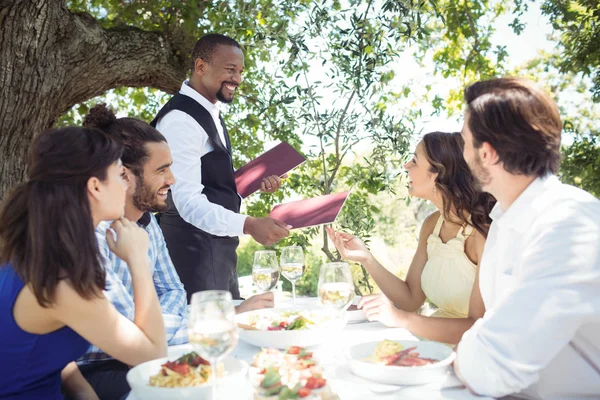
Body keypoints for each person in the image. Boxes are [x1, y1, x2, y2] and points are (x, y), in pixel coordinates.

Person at [74, 104, 277, 399]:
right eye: (161, 170)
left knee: (244, 371)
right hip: (95, 371)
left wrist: (158, 323)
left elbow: (172, 292)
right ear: (124, 175)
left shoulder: (146, 221)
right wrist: (224, 321)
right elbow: (129, 333)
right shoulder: (88, 235)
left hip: (149, 351)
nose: (172, 179)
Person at [453, 77, 600, 399]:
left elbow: (493, 369)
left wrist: (470, 354)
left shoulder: (570, 223)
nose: (462, 153)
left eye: (464, 141)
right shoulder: (505, 219)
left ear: (487, 154)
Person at [0, 127, 166, 400]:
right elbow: (153, 357)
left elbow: (45, 351)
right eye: (120, 175)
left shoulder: (39, 254)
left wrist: (86, 394)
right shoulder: (61, 281)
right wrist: (138, 259)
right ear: (95, 186)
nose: (126, 185)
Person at [151, 33, 290, 301]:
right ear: (201, 66)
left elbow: (211, 184)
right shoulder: (180, 120)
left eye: (240, 71)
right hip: (193, 257)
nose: (237, 79)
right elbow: (187, 203)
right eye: (229, 70)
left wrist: (250, 183)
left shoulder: (208, 111)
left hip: (218, 252)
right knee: (206, 338)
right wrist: (249, 225)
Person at [327, 131, 496, 344]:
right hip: (432, 347)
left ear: (436, 173)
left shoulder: (482, 234)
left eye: (414, 161)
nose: (407, 166)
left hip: (470, 355)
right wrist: (366, 258)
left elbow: (476, 326)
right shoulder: (432, 225)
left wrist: (401, 319)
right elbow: (410, 299)